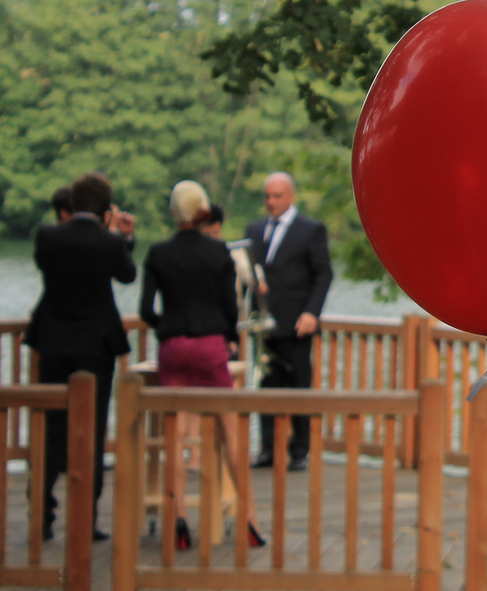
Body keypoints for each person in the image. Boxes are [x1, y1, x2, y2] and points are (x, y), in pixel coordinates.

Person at [139, 181, 264, 549]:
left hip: (174, 347)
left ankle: (178, 519)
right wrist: (223, 336)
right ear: (203, 211)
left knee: (175, 440)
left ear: (174, 212)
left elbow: (147, 309)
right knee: (231, 434)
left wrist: (169, 330)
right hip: (211, 347)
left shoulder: (158, 253)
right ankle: (249, 518)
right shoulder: (218, 253)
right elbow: (230, 310)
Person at [24, 172, 136, 542]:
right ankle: (85, 520)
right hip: (95, 344)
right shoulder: (109, 243)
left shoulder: (47, 236)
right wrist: (122, 236)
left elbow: (45, 268)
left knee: (51, 429)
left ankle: (41, 513)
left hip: (53, 341)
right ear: (105, 208)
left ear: (71, 203)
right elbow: (126, 275)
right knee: (92, 431)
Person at [245, 172, 332, 471]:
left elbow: (323, 273)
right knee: (266, 387)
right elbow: (247, 274)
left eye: (277, 196)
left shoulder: (310, 229)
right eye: (267, 196)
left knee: (298, 387)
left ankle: (299, 451)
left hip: (298, 324)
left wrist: (311, 313)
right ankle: (268, 447)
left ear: (291, 196)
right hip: (264, 324)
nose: (271, 202)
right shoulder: (254, 231)